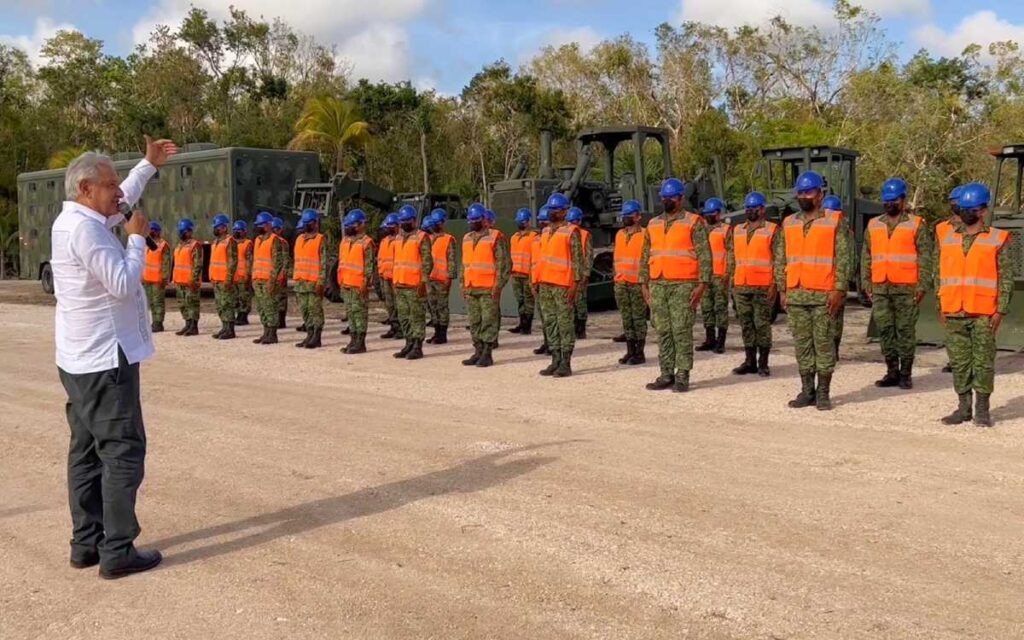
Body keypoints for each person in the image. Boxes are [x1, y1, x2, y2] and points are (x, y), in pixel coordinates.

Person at [52, 136, 177, 579]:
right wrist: (138, 240)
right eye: (109, 185)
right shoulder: (88, 232)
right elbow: (124, 283)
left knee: (85, 453)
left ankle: (85, 543)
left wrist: (147, 165)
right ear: (86, 188)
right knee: (123, 452)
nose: (118, 193)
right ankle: (117, 549)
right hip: (106, 361)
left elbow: (124, 194)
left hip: (80, 359)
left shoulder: (76, 220)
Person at [936, 183, 1012, 428]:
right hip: (954, 310)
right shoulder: (947, 237)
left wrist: (1000, 310)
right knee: (959, 362)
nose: (964, 213)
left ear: (982, 211)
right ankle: (963, 407)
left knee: (983, 362)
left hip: (983, 313)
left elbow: (1005, 277)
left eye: (971, 209)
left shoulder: (997, 239)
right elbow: (941, 274)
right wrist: (942, 304)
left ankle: (982, 410)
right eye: (963, 208)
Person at [776, 172, 851, 411]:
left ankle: (823, 392)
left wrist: (839, 289)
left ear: (820, 194)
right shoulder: (789, 223)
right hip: (796, 294)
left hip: (823, 295)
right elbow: (780, 258)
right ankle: (807, 390)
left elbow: (843, 259)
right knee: (803, 345)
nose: (804, 196)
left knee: (824, 344)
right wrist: (782, 289)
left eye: (808, 192)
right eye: (800, 192)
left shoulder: (834, 221)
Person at [643, 178, 712, 392]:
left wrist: (702, 285)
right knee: (662, 330)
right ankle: (666, 373)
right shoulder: (653, 224)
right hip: (658, 283)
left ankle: (682, 374)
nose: (667, 200)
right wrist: (643, 285)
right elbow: (645, 255)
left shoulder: (694, 222)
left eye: (671, 197)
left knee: (681, 330)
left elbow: (705, 255)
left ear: (681, 199)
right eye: (664, 197)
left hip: (684, 285)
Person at [862, 178, 930, 389]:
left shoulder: (917, 224)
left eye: (894, 200)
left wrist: (922, 285)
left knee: (905, 331)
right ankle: (891, 371)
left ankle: (906, 374)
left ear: (903, 200)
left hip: (906, 288)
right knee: (885, 330)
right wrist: (866, 282)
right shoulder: (873, 225)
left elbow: (926, 257)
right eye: (886, 200)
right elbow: (867, 255)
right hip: (881, 287)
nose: (889, 204)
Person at [728, 192, 782, 376]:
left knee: (762, 325)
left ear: (762, 209)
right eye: (748, 208)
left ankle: (763, 363)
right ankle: (749, 361)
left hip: (762, 286)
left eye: (754, 208)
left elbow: (779, 259)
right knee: (746, 324)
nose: (750, 211)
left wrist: (775, 285)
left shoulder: (772, 230)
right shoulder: (737, 230)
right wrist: (731, 282)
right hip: (741, 285)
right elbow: (732, 257)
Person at [536, 193, 585, 377]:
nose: (551, 213)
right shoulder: (546, 231)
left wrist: (575, 285)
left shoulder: (571, 231)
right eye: (550, 209)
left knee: (564, 324)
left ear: (564, 212)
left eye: (555, 210)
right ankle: (555, 359)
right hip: (546, 284)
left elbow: (577, 262)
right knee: (551, 322)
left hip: (563, 285)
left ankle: (566, 362)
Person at [461, 206, 511, 367]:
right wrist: (462, 285)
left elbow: (503, 264)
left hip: (488, 288)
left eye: (476, 221)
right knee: (474, 321)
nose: (473, 224)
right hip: (471, 287)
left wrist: (498, 287)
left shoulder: (496, 237)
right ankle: (478, 351)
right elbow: (464, 264)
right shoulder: (467, 238)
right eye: (471, 221)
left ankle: (487, 353)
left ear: (484, 220)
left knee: (488, 321)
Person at [391, 205, 432, 359]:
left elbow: (428, 262)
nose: (404, 224)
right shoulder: (398, 238)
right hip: (400, 284)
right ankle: (408, 343)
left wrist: (423, 282)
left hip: (415, 285)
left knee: (417, 317)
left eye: (407, 221)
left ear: (414, 221)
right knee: (404, 317)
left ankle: (417, 346)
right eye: (402, 222)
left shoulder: (422, 237)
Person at [613, 199, 649, 365]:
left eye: (629, 215)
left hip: (637, 283)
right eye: (624, 215)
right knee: (626, 318)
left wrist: (645, 284)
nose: (626, 218)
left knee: (638, 318)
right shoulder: (620, 235)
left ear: (637, 217)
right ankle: (630, 351)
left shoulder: (645, 235)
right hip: (621, 283)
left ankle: (639, 353)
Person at [338, 209, 376, 354]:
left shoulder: (366, 243)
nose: (349, 227)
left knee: (359, 314)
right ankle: (353, 340)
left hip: (359, 285)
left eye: (352, 225)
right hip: (346, 284)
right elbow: (342, 263)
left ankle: (360, 343)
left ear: (361, 225)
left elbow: (369, 266)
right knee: (351, 314)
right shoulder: (345, 241)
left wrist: (365, 283)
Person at [696, 197, 729, 354]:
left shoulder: (726, 230)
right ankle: (710, 339)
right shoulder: (701, 231)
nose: (709, 216)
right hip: (705, 276)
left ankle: (721, 341)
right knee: (707, 308)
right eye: (707, 213)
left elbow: (731, 253)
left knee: (720, 308)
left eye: (712, 213)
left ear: (719, 213)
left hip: (720, 275)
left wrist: (728, 273)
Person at [293, 208, 328, 349]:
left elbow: (323, 262)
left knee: (315, 310)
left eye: (310, 222)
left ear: (315, 223)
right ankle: (309, 334)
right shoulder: (299, 239)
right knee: (305, 310)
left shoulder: (320, 239)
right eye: (305, 222)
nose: (307, 225)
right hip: (300, 281)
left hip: (313, 282)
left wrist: (321, 281)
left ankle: (317, 337)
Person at [938, 186, 964, 373]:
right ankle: (954, 359)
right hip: (949, 287)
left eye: (957, 202)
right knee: (951, 326)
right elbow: (936, 258)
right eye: (952, 203)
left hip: (971, 287)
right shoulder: (941, 228)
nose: (954, 206)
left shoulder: (981, 229)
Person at [251, 211, 287, 344]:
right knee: (261, 307)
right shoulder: (257, 240)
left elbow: (277, 262)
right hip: (258, 279)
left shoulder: (275, 240)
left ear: (267, 225)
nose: (257, 227)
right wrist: (253, 278)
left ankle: (272, 334)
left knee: (270, 306)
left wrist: (272, 281)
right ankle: (265, 332)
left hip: (268, 281)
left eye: (260, 225)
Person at [822, 195, 850, 359]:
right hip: (824, 281)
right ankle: (828, 350)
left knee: (835, 318)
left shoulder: (844, 233)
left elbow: (848, 259)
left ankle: (834, 350)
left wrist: (841, 283)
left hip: (838, 282)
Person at [427, 210, 456, 344]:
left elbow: (451, 260)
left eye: (438, 223)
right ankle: (436, 332)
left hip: (442, 279)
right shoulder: (427, 239)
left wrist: (449, 277)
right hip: (430, 278)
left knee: (442, 307)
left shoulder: (448, 239)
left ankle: (442, 334)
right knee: (433, 306)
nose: (436, 225)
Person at [208, 214, 238, 340]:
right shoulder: (215, 242)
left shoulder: (229, 241)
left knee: (227, 304)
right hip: (216, 279)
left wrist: (229, 278)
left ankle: (230, 330)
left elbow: (232, 261)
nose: (215, 229)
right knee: (220, 304)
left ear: (224, 228)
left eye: (217, 227)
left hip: (225, 280)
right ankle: (224, 327)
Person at [509, 208, 538, 335]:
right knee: (520, 300)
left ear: (528, 222)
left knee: (528, 300)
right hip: (516, 274)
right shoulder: (514, 237)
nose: (521, 223)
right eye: (519, 221)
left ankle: (527, 326)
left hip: (528, 274)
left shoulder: (534, 236)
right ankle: (522, 323)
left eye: (523, 221)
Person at [566, 206, 593, 339]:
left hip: (579, 273)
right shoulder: (568, 234)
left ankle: (580, 329)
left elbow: (588, 255)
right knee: (573, 301)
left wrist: (586, 274)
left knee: (580, 302)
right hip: (569, 273)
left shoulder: (584, 235)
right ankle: (575, 327)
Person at [172, 218, 202, 336]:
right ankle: (187, 324)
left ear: (189, 231)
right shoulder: (179, 245)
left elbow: (197, 264)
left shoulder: (195, 245)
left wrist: (194, 280)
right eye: (180, 231)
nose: (181, 233)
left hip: (190, 281)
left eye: (183, 231)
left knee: (192, 304)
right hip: (179, 280)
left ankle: (194, 326)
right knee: (183, 304)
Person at [483, 207, 508, 346]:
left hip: (493, 282)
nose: (485, 223)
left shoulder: (497, 237)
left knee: (493, 311)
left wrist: (499, 283)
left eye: (487, 220)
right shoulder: (475, 237)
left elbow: (503, 261)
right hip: (480, 282)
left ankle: (493, 337)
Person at [141, 221, 170, 333]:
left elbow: (166, 263)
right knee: (151, 302)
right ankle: (153, 322)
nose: (151, 232)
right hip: (147, 279)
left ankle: (158, 323)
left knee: (158, 302)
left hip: (158, 279)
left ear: (158, 232)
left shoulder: (163, 245)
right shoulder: (145, 244)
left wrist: (164, 278)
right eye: (150, 230)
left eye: (153, 230)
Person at [378, 213, 403, 340]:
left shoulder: (400, 241)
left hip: (396, 278)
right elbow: (381, 258)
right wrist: (380, 273)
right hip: (385, 277)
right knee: (389, 304)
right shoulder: (384, 241)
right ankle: (393, 327)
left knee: (399, 304)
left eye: (392, 226)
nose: (389, 229)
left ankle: (401, 329)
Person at [532, 206, 551, 356]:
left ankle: (552, 344)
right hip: (539, 282)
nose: (541, 224)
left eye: (544, 221)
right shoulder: (537, 239)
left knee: (552, 317)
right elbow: (535, 263)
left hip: (552, 282)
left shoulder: (552, 238)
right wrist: (534, 281)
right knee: (544, 315)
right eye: (540, 221)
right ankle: (547, 342)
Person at [232, 220, 254, 326]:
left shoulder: (247, 244)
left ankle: (243, 315)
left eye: (239, 231)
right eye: (235, 230)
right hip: (234, 276)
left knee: (244, 296)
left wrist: (248, 275)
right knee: (235, 297)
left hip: (243, 275)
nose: (237, 233)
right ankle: (238, 314)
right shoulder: (231, 243)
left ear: (244, 232)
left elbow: (250, 260)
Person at [271, 217, 290, 329]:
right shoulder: (271, 242)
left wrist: (283, 274)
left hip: (280, 275)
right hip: (273, 275)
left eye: (276, 229)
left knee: (281, 298)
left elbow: (286, 260)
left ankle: (281, 320)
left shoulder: (283, 243)